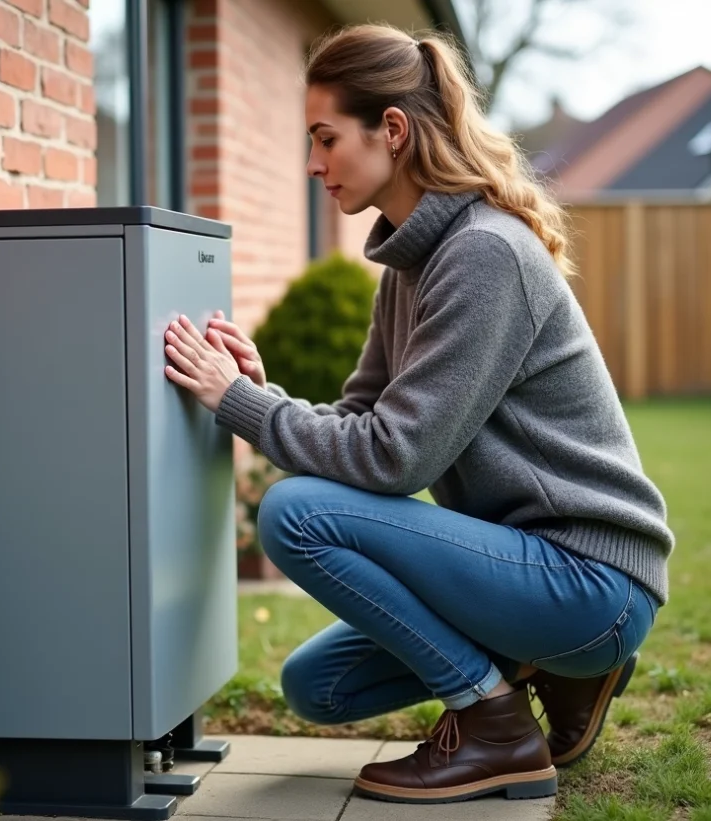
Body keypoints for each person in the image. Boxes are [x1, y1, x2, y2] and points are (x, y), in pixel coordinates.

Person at [162, 22, 673, 806]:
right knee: (317, 686)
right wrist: (264, 392)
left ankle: (495, 724)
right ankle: (556, 670)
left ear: (392, 130)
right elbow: (361, 417)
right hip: (521, 569)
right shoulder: (411, 265)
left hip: (589, 579)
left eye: (326, 138)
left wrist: (242, 405)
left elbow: (396, 458)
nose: (312, 163)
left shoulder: (484, 253)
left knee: (292, 513)